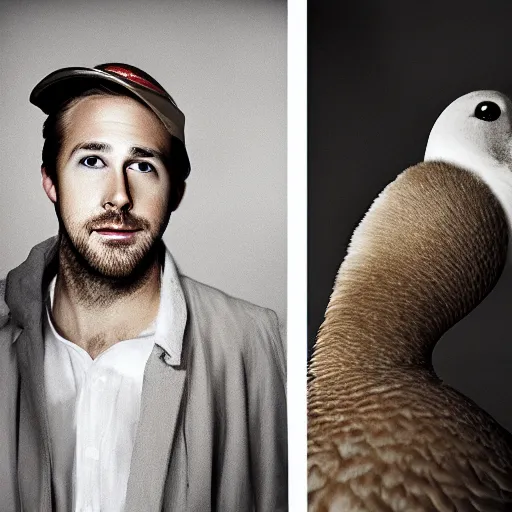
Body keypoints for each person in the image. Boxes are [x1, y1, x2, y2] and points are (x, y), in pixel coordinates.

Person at [0, 63, 287, 511]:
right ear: (51, 182)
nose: (119, 196)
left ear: (175, 192)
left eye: (142, 165)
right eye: (92, 161)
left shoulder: (255, 345)